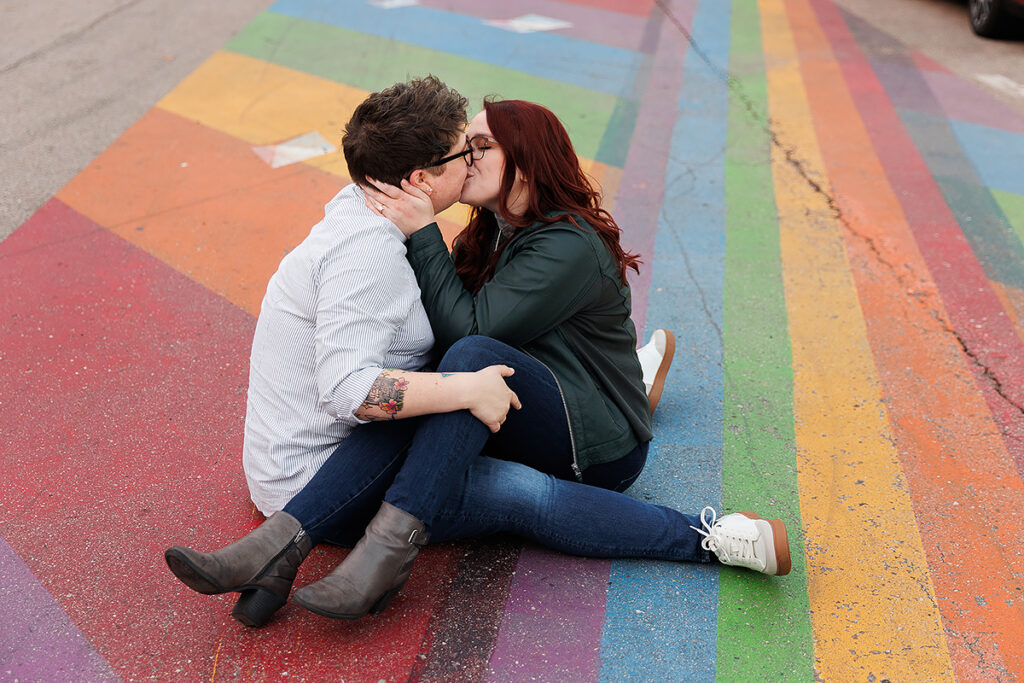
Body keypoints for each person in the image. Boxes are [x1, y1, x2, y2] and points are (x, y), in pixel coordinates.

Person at [165, 84, 789, 628]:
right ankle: (278, 552)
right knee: (450, 384)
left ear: (527, 160)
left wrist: (422, 236)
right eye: (464, 147)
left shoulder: (564, 244)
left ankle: (702, 534)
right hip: (543, 393)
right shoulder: (491, 228)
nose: (469, 157)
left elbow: (468, 332)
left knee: (479, 392)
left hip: (591, 444)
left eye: (482, 146)